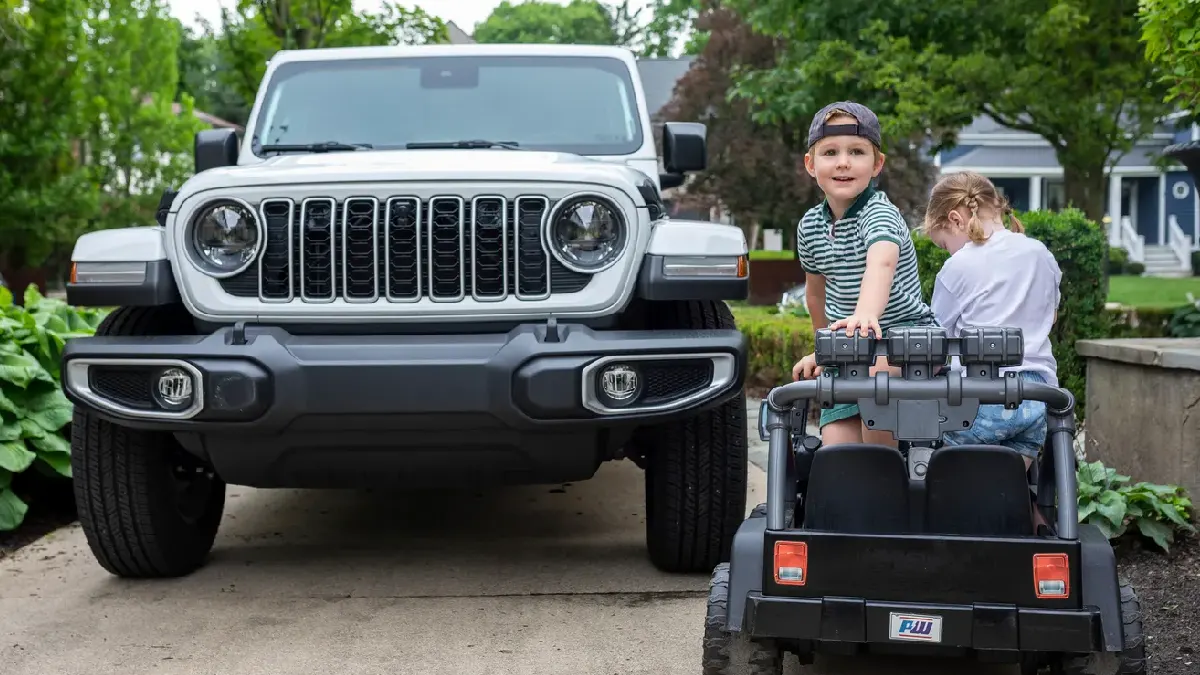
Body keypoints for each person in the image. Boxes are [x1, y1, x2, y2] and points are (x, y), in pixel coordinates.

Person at [790, 101, 938, 447]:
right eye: (830, 152)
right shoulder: (810, 225)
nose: (843, 162)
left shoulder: (879, 214)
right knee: (837, 450)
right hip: (851, 351)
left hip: (904, 342)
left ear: (877, 165)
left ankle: (887, 486)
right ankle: (852, 493)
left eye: (857, 152)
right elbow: (816, 293)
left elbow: (881, 263)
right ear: (811, 165)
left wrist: (866, 313)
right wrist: (823, 350)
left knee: (874, 392)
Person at [921, 171, 1063, 470]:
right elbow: (1050, 317)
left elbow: (936, 344)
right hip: (1037, 397)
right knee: (1005, 488)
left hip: (977, 401)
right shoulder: (1041, 253)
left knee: (948, 478)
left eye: (945, 244)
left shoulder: (959, 265)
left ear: (956, 219)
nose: (949, 251)